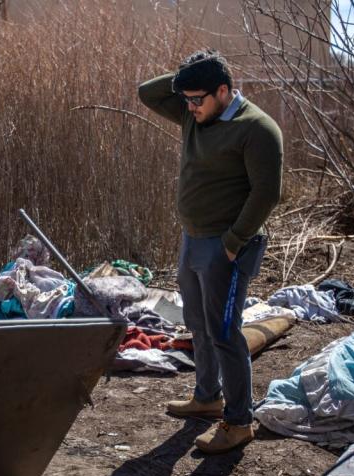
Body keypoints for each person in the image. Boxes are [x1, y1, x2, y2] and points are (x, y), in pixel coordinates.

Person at [138, 49, 283, 454]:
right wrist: (187, 77)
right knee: (198, 322)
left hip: (227, 246)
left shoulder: (256, 128)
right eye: (185, 98)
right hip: (192, 239)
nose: (189, 106)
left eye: (198, 98)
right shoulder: (193, 113)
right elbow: (146, 93)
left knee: (224, 332)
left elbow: (266, 192)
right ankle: (207, 397)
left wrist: (234, 243)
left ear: (224, 91)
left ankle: (239, 422)